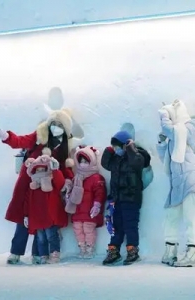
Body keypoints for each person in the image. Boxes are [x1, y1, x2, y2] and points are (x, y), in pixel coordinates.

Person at [0, 109, 74, 264]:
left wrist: (68, 180)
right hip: (28, 183)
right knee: (23, 217)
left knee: (41, 219)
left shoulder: (62, 147)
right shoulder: (39, 136)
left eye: (59, 125)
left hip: (46, 188)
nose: (55, 127)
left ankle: (38, 254)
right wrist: (6, 136)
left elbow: (65, 167)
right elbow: (21, 141)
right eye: (53, 124)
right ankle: (16, 252)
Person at [101, 130, 150, 265]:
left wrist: (131, 148)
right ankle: (113, 250)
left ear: (126, 145)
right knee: (117, 226)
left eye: (118, 146)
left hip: (131, 198)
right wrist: (109, 151)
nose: (116, 149)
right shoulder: (116, 159)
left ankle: (132, 250)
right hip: (117, 199)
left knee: (130, 225)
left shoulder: (137, 155)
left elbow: (138, 162)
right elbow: (106, 164)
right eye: (114, 146)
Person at [157, 100, 195, 267]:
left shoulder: (188, 128)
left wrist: (164, 114)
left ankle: (193, 252)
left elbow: (169, 129)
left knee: (190, 218)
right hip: (177, 182)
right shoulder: (176, 136)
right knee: (171, 217)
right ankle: (170, 250)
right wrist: (162, 143)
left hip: (191, 180)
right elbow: (165, 157)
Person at [24, 148, 68, 264]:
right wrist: (26, 215)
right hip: (37, 217)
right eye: (37, 169)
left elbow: (60, 183)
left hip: (50, 215)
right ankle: (43, 255)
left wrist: (55, 170)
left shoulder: (51, 181)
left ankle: (55, 254)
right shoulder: (32, 186)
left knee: (51, 235)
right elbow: (27, 202)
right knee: (41, 238)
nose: (40, 171)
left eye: (42, 169)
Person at [64, 145, 107, 258]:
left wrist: (97, 205)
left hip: (89, 211)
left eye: (86, 161)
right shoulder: (77, 177)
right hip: (78, 210)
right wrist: (68, 195)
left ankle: (90, 248)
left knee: (88, 229)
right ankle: (82, 248)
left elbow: (100, 193)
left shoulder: (97, 178)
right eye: (81, 161)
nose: (83, 164)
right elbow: (72, 191)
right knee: (78, 229)